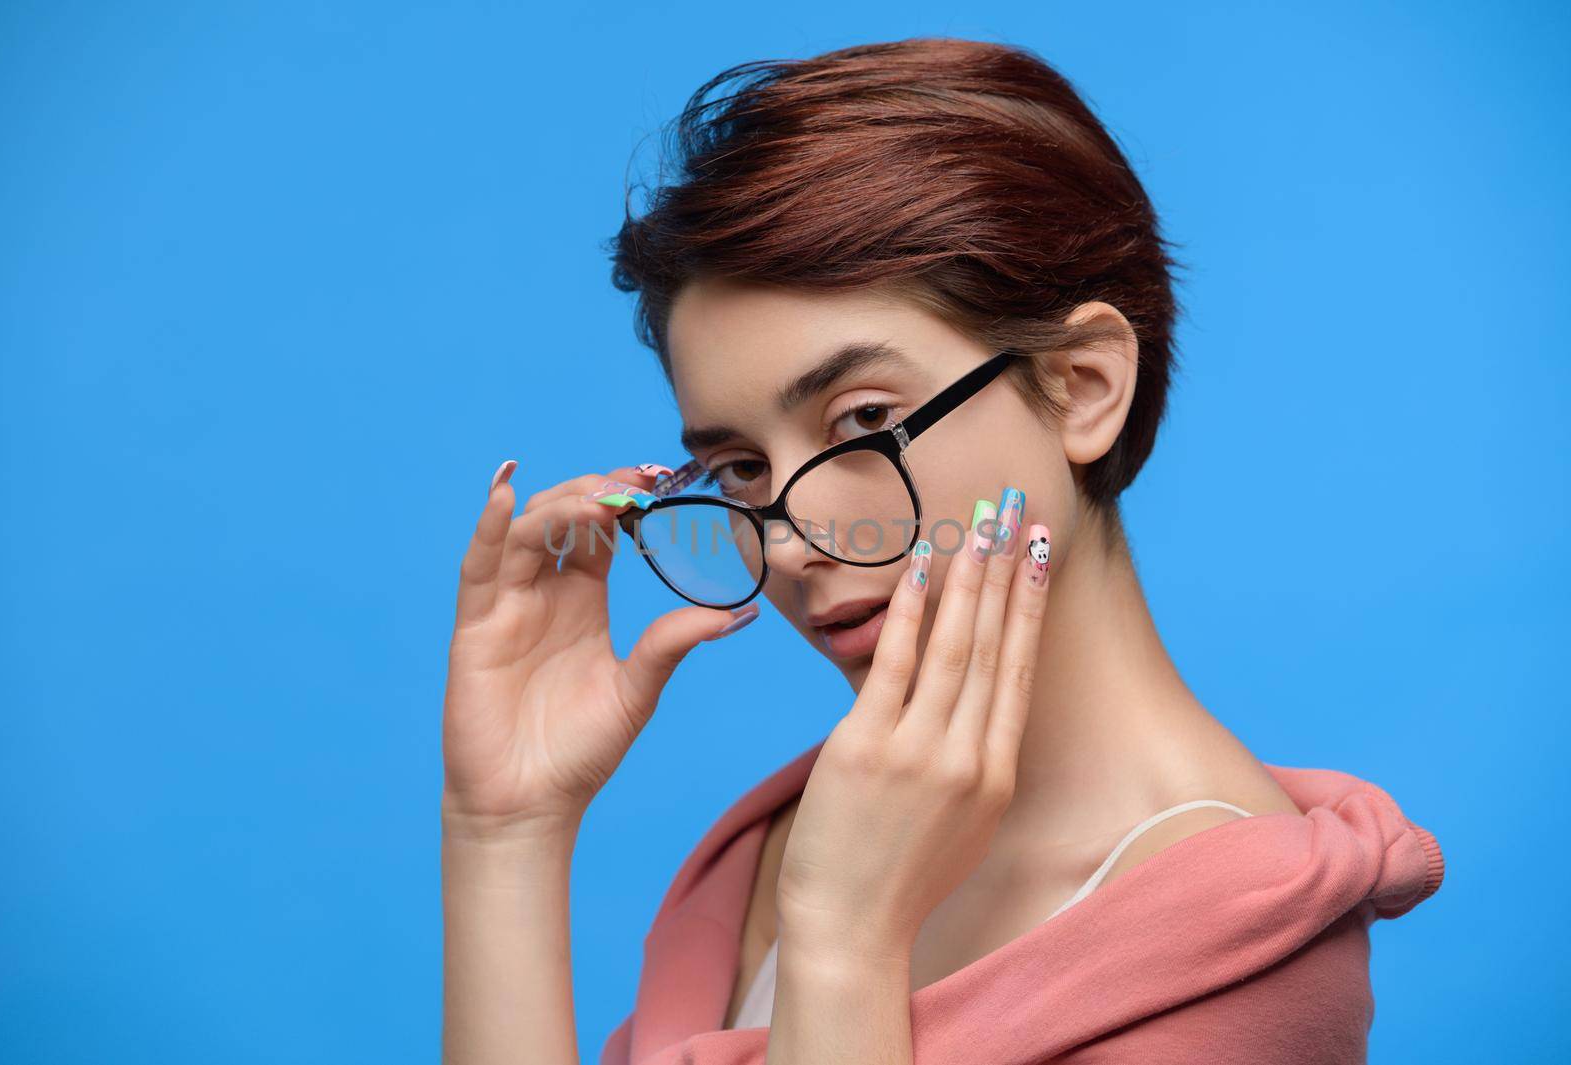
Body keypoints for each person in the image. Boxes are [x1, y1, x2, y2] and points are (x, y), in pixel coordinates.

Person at [439, 38, 1445, 1065]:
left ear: (1083, 385)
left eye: (863, 420)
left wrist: (842, 942)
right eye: (739, 466)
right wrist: (504, 829)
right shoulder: (790, 838)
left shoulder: (1241, 954)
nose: (788, 541)